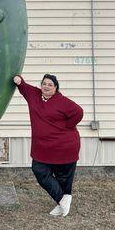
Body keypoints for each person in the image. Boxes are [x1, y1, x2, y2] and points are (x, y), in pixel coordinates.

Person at [13, 73, 83, 217]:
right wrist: (18, 80)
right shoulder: (35, 96)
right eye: (44, 83)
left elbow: (78, 112)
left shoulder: (62, 101)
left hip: (65, 146)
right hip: (43, 147)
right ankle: (63, 199)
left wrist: (67, 126)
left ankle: (62, 202)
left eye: (50, 84)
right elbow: (24, 87)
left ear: (56, 88)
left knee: (63, 177)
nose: (46, 86)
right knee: (39, 170)